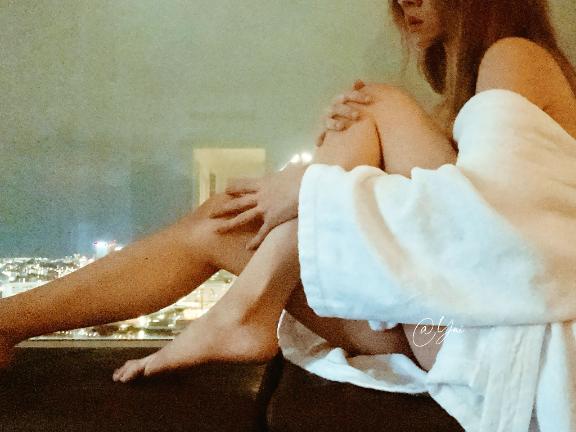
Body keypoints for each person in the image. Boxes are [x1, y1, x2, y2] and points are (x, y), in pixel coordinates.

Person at [1, 0, 575, 394]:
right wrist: (330, 175)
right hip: (445, 330)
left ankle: (242, 313)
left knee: (376, 104)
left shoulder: (516, 55)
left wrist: (312, 185)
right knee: (223, 224)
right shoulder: (470, 93)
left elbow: (496, 227)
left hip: (497, 336)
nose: (406, 3)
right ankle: (7, 324)